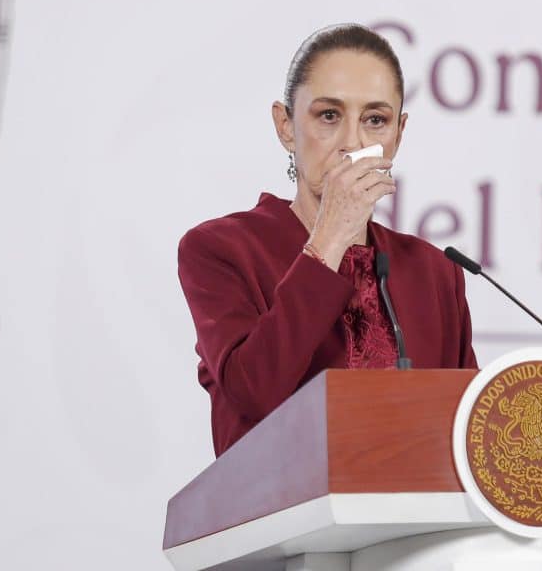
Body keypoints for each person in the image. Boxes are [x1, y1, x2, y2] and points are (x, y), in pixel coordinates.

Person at [178, 24, 478, 457]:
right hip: (282, 518)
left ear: (399, 134)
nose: (353, 143)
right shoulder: (221, 249)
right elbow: (255, 394)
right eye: (329, 116)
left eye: (375, 120)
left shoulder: (434, 270)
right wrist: (331, 238)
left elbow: (467, 432)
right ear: (285, 126)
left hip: (415, 522)